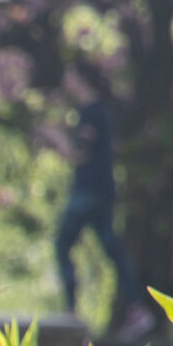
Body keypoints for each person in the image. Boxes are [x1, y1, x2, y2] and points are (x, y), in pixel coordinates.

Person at [54, 99, 144, 332]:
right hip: (103, 193)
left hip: (87, 192)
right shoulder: (104, 111)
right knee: (111, 248)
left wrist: (54, 137)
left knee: (63, 243)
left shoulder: (90, 113)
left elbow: (79, 154)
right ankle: (136, 307)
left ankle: (71, 308)